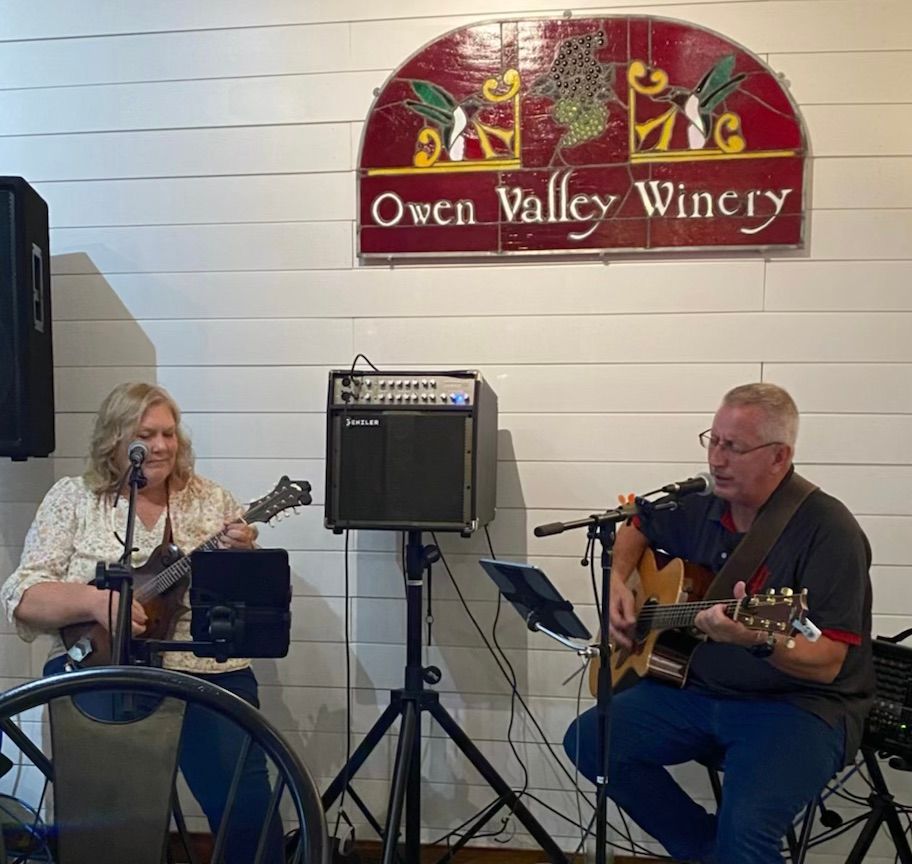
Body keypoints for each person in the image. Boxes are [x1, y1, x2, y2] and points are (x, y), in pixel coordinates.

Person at [564, 382, 874, 864]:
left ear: (778, 457)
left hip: (798, 707)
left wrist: (757, 640)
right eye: (714, 440)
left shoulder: (829, 531)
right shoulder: (700, 502)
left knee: (747, 830)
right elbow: (637, 527)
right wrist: (620, 581)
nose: (716, 460)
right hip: (698, 691)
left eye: (734, 447)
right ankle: (705, 851)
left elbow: (830, 662)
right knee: (590, 741)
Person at [1, 381, 285, 863]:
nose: (160, 446)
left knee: (247, 808)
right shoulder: (72, 499)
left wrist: (244, 559)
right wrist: (95, 604)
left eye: (169, 434)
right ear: (115, 440)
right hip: (103, 670)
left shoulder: (212, 501)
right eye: (146, 434)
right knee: (108, 818)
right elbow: (23, 596)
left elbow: (247, 605)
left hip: (207, 674)